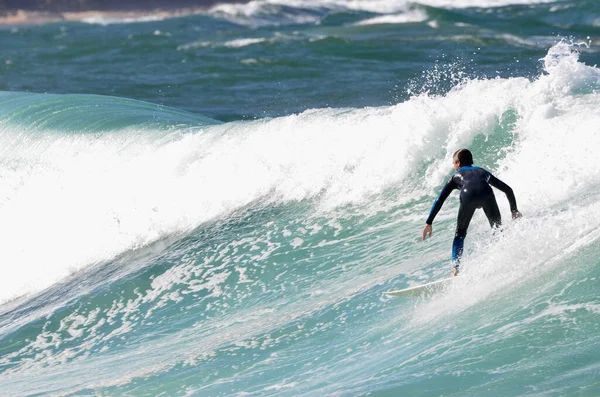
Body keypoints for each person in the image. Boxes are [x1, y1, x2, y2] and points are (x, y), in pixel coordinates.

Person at [422, 149, 521, 276]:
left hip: (468, 195)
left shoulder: (455, 176)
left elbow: (439, 199)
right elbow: (508, 190)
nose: (453, 166)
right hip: (487, 194)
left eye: (453, 163)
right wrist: (514, 210)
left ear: (458, 163)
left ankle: (455, 269)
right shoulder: (482, 171)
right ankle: (503, 259)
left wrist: (429, 222)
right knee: (497, 229)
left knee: (460, 234)